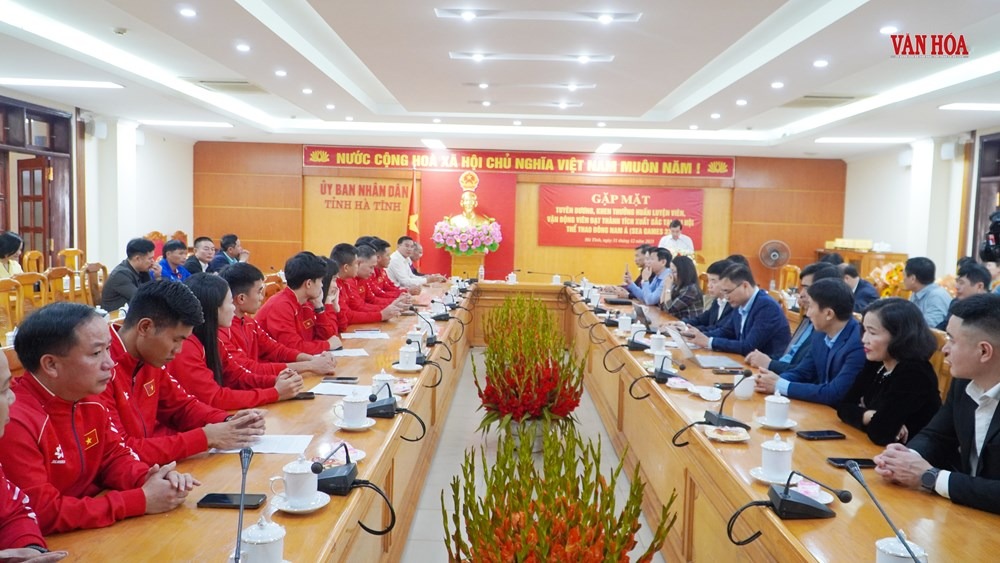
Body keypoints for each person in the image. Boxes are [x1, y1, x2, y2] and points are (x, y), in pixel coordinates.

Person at [0, 302, 199, 534]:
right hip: (59, 539)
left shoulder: (87, 398)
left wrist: (151, 478)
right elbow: (42, 511)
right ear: (51, 364)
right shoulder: (14, 420)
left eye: (108, 349)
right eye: (96, 353)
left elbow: (114, 457)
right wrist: (139, 500)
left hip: (93, 526)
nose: (110, 363)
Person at [101, 281, 265, 464]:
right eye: (175, 340)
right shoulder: (100, 369)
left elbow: (182, 407)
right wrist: (205, 438)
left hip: (147, 469)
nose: (178, 350)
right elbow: (122, 451)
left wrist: (229, 421)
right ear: (145, 327)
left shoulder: (149, 357)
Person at [874, 293, 1000, 515]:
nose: (944, 349)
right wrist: (905, 459)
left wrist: (931, 477)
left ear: (983, 351)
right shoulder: (964, 383)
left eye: (952, 340)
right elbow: (937, 435)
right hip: (966, 511)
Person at [168, 274, 304, 409]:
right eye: (229, 303)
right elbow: (214, 398)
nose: (234, 308)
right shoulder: (186, 347)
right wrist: (275, 393)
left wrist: (276, 380)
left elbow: (238, 376)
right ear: (214, 309)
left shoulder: (212, 338)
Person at [837, 298, 941, 445]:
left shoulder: (915, 373)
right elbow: (843, 407)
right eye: (864, 330)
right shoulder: (877, 362)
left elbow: (880, 433)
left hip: (908, 453)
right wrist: (870, 415)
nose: (864, 339)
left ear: (900, 336)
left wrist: (868, 418)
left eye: (872, 333)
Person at [754, 278, 866, 405]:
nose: (807, 314)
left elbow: (834, 393)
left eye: (811, 307)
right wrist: (770, 381)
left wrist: (779, 385)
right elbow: (803, 372)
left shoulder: (858, 343)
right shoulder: (820, 334)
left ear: (829, 314)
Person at [218, 263, 338, 379]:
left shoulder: (249, 322)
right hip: (256, 382)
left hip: (264, 379)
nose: (262, 298)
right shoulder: (221, 332)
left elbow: (276, 349)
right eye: (259, 292)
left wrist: (313, 360)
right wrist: (310, 365)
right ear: (241, 298)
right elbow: (249, 369)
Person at [0, 352, 66, 560]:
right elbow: (44, 509)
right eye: (4, 389)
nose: (12, 399)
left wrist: (29, 549)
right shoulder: (19, 424)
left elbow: (14, 512)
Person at [746, 263, 840, 374]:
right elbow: (788, 356)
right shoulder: (808, 319)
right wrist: (762, 359)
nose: (801, 294)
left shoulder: (826, 328)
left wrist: (770, 364)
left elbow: (806, 373)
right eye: (802, 287)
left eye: (807, 288)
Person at [683, 264, 790, 357]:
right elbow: (726, 331)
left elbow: (749, 346)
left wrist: (709, 342)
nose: (726, 297)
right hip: (744, 361)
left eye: (728, 291)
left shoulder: (766, 306)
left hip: (767, 368)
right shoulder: (740, 303)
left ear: (745, 286)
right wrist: (697, 335)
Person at [256, 251, 342, 354]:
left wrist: (319, 307)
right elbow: (293, 348)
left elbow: (330, 338)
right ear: (308, 283)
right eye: (320, 281)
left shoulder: (306, 302)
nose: (322, 286)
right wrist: (327, 345)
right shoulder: (280, 306)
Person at [332, 243, 403, 326]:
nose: (373, 272)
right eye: (356, 264)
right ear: (346, 267)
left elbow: (371, 299)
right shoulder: (340, 283)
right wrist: (381, 314)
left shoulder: (346, 281)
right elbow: (350, 314)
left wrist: (391, 306)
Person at [101, 237, 162, 310]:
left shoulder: (142, 270)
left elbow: (152, 293)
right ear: (137, 258)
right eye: (150, 258)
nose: (153, 262)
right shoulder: (120, 274)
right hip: (116, 315)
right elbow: (142, 299)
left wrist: (157, 277)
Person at [675, 259, 732, 330]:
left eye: (713, 281)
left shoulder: (732, 305)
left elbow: (719, 330)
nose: (709, 285)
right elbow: (701, 319)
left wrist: (687, 329)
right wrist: (681, 323)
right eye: (708, 281)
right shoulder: (717, 301)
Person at [939, 263, 991, 330]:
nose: (956, 286)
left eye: (961, 283)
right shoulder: (956, 302)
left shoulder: (992, 310)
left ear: (979, 286)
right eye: (957, 282)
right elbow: (944, 326)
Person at [904, 257, 951, 327]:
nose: (903, 279)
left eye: (904, 275)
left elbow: (931, 327)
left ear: (913, 279)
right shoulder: (916, 293)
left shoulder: (937, 296)